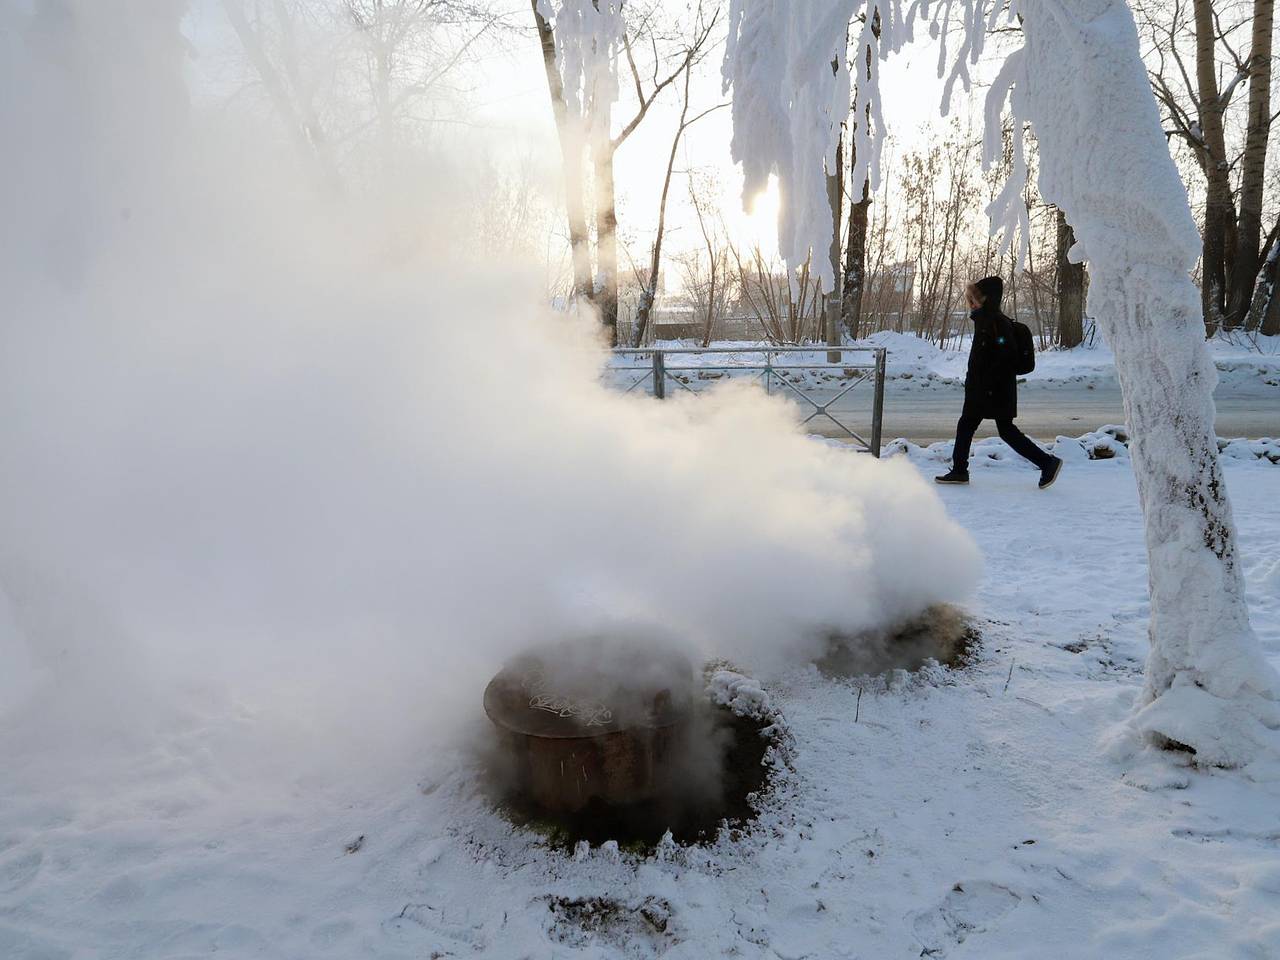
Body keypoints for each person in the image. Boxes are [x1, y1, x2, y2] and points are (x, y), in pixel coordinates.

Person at [935, 276, 1063, 488]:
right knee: (997, 429)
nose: (970, 302)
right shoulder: (986, 320)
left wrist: (986, 385)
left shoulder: (995, 322)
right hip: (989, 388)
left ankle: (960, 470)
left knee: (978, 426)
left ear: (987, 298)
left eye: (973, 298)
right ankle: (1046, 463)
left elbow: (1006, 357)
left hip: (991, 390)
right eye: (969, 298)